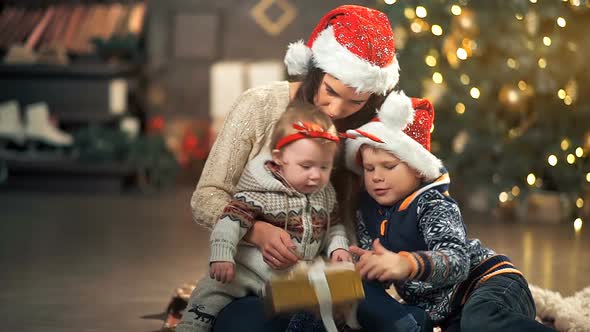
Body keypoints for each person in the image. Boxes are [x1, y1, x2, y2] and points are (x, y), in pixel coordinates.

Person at [189, 5, 404, 331]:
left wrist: (342, 254)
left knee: (404, 321)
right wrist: (257, 232)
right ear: (314, 71)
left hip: (321, 277)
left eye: (355, 101)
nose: (336, 110)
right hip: (253, 276)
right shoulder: (258, 106)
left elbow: (342, 218)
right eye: (330, 92)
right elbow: (206, 196)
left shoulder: (360, 132)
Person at [344, 94, 556, 331]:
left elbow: (458, 261)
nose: (376, 176)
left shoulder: (433, 204)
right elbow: (373, 270)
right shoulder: (369, 214)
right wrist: (365, 267)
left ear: (417, 169)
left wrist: (406, 264)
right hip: (448, 314)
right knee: (361, 291)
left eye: (389, 166)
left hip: (489, 284)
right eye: (369, 168)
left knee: (479, 321)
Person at [177, 104, 352, 332]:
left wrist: (338, 248)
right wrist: (222, 254)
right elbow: (230, 222)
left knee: (334, 294)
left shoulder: (324, 194)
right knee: (212, 292)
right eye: (306, 166)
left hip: (291, 276)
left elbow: (334, 226)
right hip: (249, 271)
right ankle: (191, 325)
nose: (316, 175)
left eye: (324, 166)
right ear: (279, 159)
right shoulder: (259, 193)